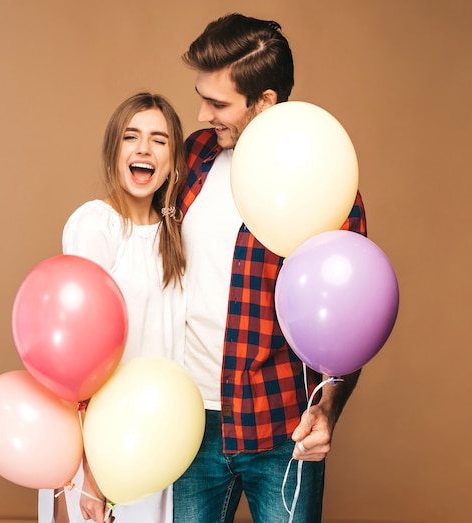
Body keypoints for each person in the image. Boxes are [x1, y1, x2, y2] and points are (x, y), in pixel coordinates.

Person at [173, 13, 367, 523]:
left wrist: (327, 412)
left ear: (265, 103)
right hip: (187, 423)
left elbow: (351, 317)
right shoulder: (193, 158)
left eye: (217, 104)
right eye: (201, 96)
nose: (200, 114)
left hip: (281, 425)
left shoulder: (326, 183)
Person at [39, 92, 187, 523]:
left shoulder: (175, 234)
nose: (144, 149)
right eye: (131, 137)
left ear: (174, 159)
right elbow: (79, 356)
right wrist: (94, 470)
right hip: (105, 446)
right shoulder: (95, 225)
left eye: (159, 140)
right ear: (114, 151)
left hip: (161, 436)